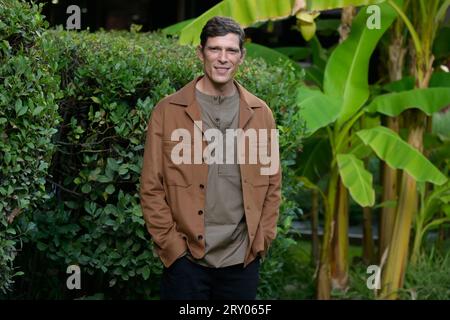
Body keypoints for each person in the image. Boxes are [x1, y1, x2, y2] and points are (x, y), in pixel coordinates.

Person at [140, 16, 281, 300]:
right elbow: (151, 187)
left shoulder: (260, 113)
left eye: (231, 50)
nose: (222, 58)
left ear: (242, 56)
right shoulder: (168, 111)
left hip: (242, 261)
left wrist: (261, 241)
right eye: (215, 49)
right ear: (201, 52)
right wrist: (172, 249)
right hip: (186, 263)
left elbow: (272, 184)